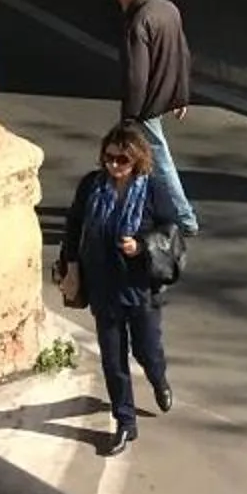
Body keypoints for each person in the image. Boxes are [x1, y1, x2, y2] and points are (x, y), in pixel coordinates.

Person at [57, 124, 178, 456]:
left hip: (140, 287)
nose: (113, 166)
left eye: (122, 159)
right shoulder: (91, 187)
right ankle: (125, 421)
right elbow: (73, 227)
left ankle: (158, 379)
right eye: (109, 158)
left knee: (147, 350)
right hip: (103, 287)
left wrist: (140, 245)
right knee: (113, 360)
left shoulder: (153, 189)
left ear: (136, 159)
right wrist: (71, 265)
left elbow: (170, 229)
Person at [114, 0, 200, 234]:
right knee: (143, 156)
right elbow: (182, 52)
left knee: (158, 158)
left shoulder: (137, 22)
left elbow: (136, 76)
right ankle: (143, 208)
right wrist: (182, 95)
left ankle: (185, 217)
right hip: (167, 94)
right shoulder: (168, 8)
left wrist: (130, 115)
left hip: (147, 103)